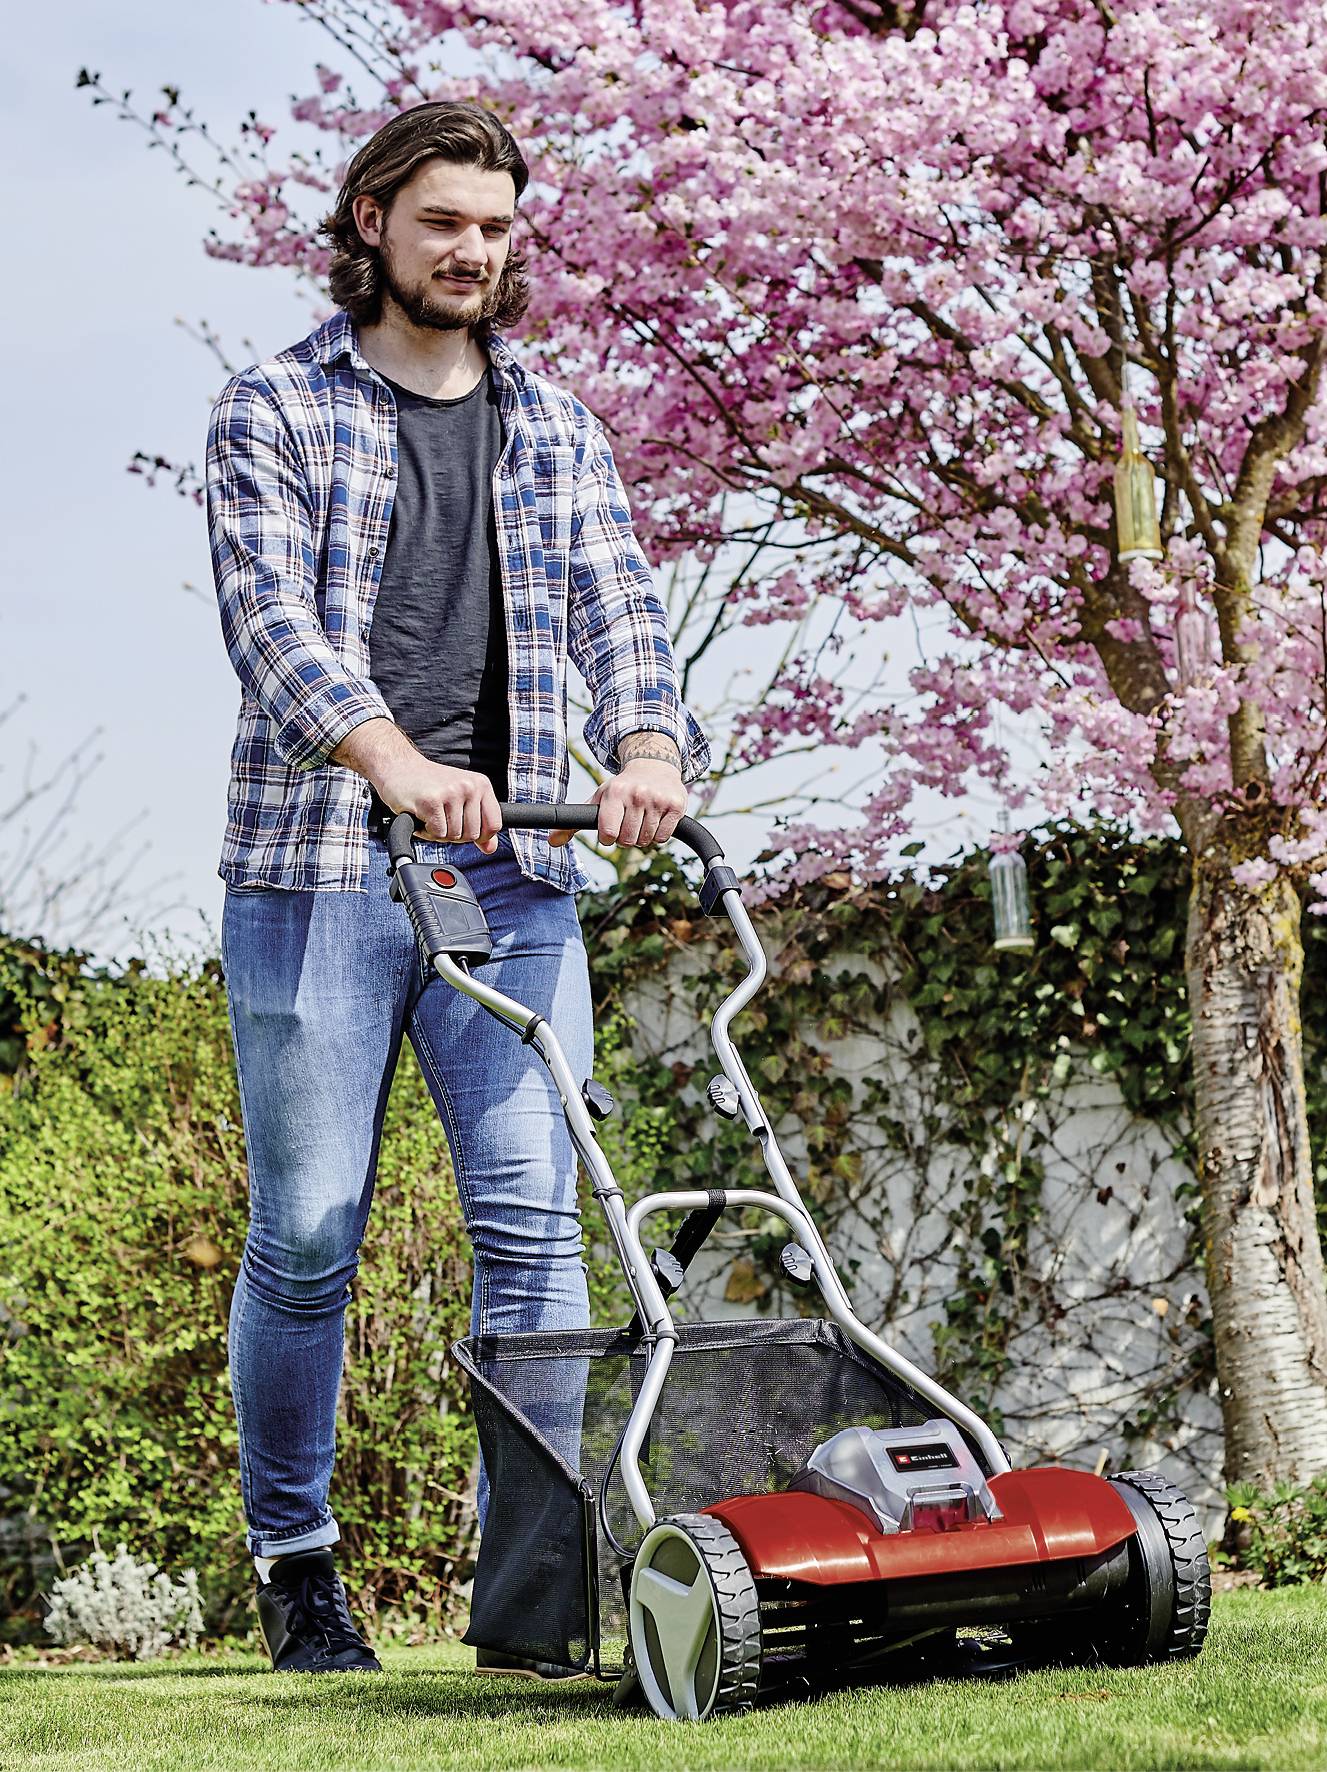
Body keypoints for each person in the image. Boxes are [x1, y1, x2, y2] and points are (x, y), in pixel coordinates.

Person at [205, 99, 707, 1675]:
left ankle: (533, 1606)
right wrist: (390, 760)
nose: (472, 253)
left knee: (537, 1240)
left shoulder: (554, 425)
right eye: (442, 224)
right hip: (323, 874)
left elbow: (623, 610)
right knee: (308, 1234)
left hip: (524, 875)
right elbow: (273, 625)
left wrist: (647, 751)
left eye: (493, 228)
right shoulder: (275, 409)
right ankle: (298, 1571)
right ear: (372, 223)